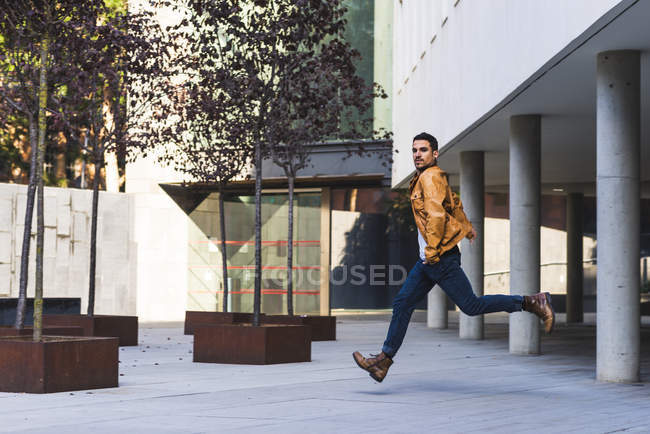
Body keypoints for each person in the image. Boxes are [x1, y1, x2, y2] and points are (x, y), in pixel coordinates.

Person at [353, 132, 555, 383]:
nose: (417, 154)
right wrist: (466, 226)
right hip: (429, 259)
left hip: (438, 258)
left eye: (423, 150)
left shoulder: (430, 177)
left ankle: (532, 302)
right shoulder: (425, 178)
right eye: (415, 150)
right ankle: (383, 362)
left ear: (434, 154)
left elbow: (437, 216)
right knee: (403, 304)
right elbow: (453, 203)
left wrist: (433, 250)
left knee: (471, 306)